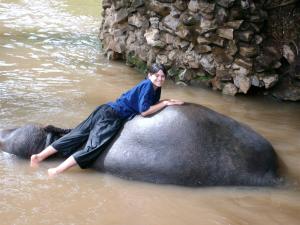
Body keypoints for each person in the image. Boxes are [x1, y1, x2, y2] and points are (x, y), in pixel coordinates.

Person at [30, 63, 184, 177]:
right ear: (149, 75)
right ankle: (56, 171)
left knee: (76, 135)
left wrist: (167, 100)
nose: (160, 78)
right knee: (92, 147)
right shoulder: (149, 86)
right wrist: (164, 103)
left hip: (105, 109)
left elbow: (147, 104)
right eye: (156, 75)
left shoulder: (154, 87)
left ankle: (39, 156)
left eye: (162, 76)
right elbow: (144, 111)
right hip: (113, 116)